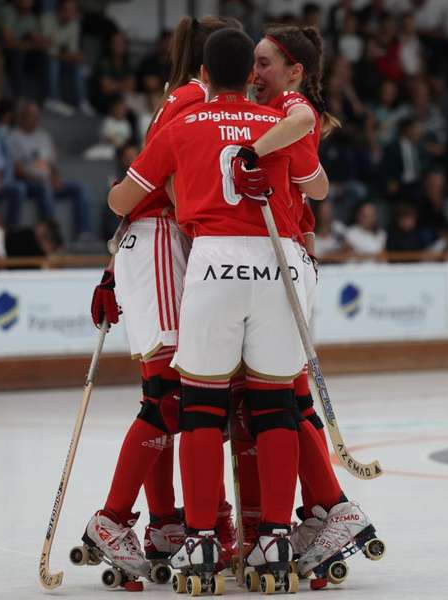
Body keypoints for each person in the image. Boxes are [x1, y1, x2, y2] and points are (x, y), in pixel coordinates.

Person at [108, 27, 328, 584]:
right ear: (251, 76)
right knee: (276, 405)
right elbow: (316, 185)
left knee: (202, 406)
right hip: (276, 264)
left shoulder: (183, 123)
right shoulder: (274, 119)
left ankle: (201, 540)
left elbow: (122, 198)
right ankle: (276, 540)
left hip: (214, 265)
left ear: (203, 76)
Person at [83, 16, 243, 580]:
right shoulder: (194, 99)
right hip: (157, 242)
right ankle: (112, 519)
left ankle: (165, 522)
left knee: (165, 396)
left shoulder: (184, 94)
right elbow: (149, 181)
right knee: (169, 400)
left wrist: (110, 268)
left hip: (151, 244)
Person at [240, 23, 379, 573]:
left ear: (295, 71)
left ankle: (334, 506)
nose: (256, 73)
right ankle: (327, 507)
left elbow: (305, 133)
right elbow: (313, 186)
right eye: (252, 62)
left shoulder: (292, 105)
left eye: (265, 63)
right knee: (289, 397)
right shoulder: (278, 108)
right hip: (288, 256)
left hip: (282, 261)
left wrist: (247, 150)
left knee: (285, 398)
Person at [9, 100, 90, 240]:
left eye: (36, 116)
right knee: (45, 187)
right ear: (22, 116)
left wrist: (56, 177)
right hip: (30, 183)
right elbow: (17, 170)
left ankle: (83, 234)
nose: (35, 119)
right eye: (30, 115)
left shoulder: (43, 136)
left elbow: (52, 164)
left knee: (80, 188)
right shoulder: (14, 137)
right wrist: (41, 179)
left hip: (48, 180)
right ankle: (52, 234)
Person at [41, 0, 90, 116]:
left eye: (73, 10)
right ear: (59, 10)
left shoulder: (74, 24)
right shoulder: (46, 19)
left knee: (79, 65)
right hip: (39, 59)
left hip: (59, 57)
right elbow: (48, 51)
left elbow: (73, 52)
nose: (70, 13)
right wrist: (65, 55)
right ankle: (53, 100)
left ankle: (82, 101)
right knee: (53, 63)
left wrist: (71, 56)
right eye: (67, 10)